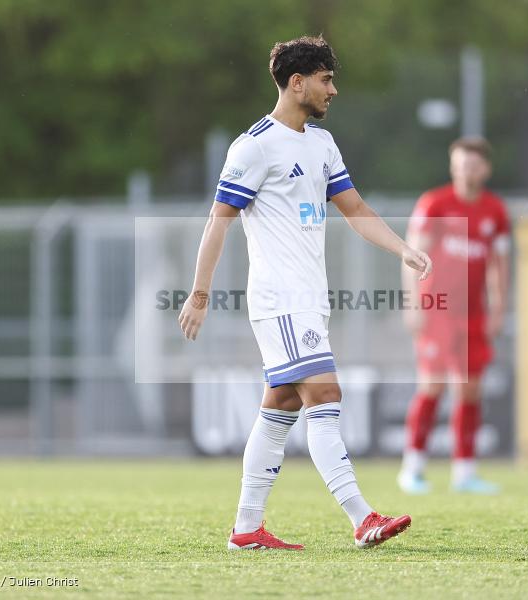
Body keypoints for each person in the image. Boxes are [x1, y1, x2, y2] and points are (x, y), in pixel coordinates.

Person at [178, 36, 432, 551]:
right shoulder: (254, 147)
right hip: (280, 300)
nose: (332, 89)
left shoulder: (321, 144)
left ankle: (246, 529)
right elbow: (218, 221)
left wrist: (401, 248)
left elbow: (355, 209)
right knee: (327, 396)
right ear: (297, 83)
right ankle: (362, 518)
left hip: (309, 300)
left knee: (279, 411)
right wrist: (199, 292)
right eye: (325, 79)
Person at [397, 137, 510, 495]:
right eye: (461, 164)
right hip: (437, 309)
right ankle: (412, 468)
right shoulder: (435, 204)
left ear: (486, 169)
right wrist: (414, 303)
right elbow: (412, 258)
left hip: (472, 314)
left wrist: (498, 310)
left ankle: (465, 472)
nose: (467, 171)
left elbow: (499, 267)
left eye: (474, 165)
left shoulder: (495, 211)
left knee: (470, 391)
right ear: (452, 167)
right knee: (432, 385)